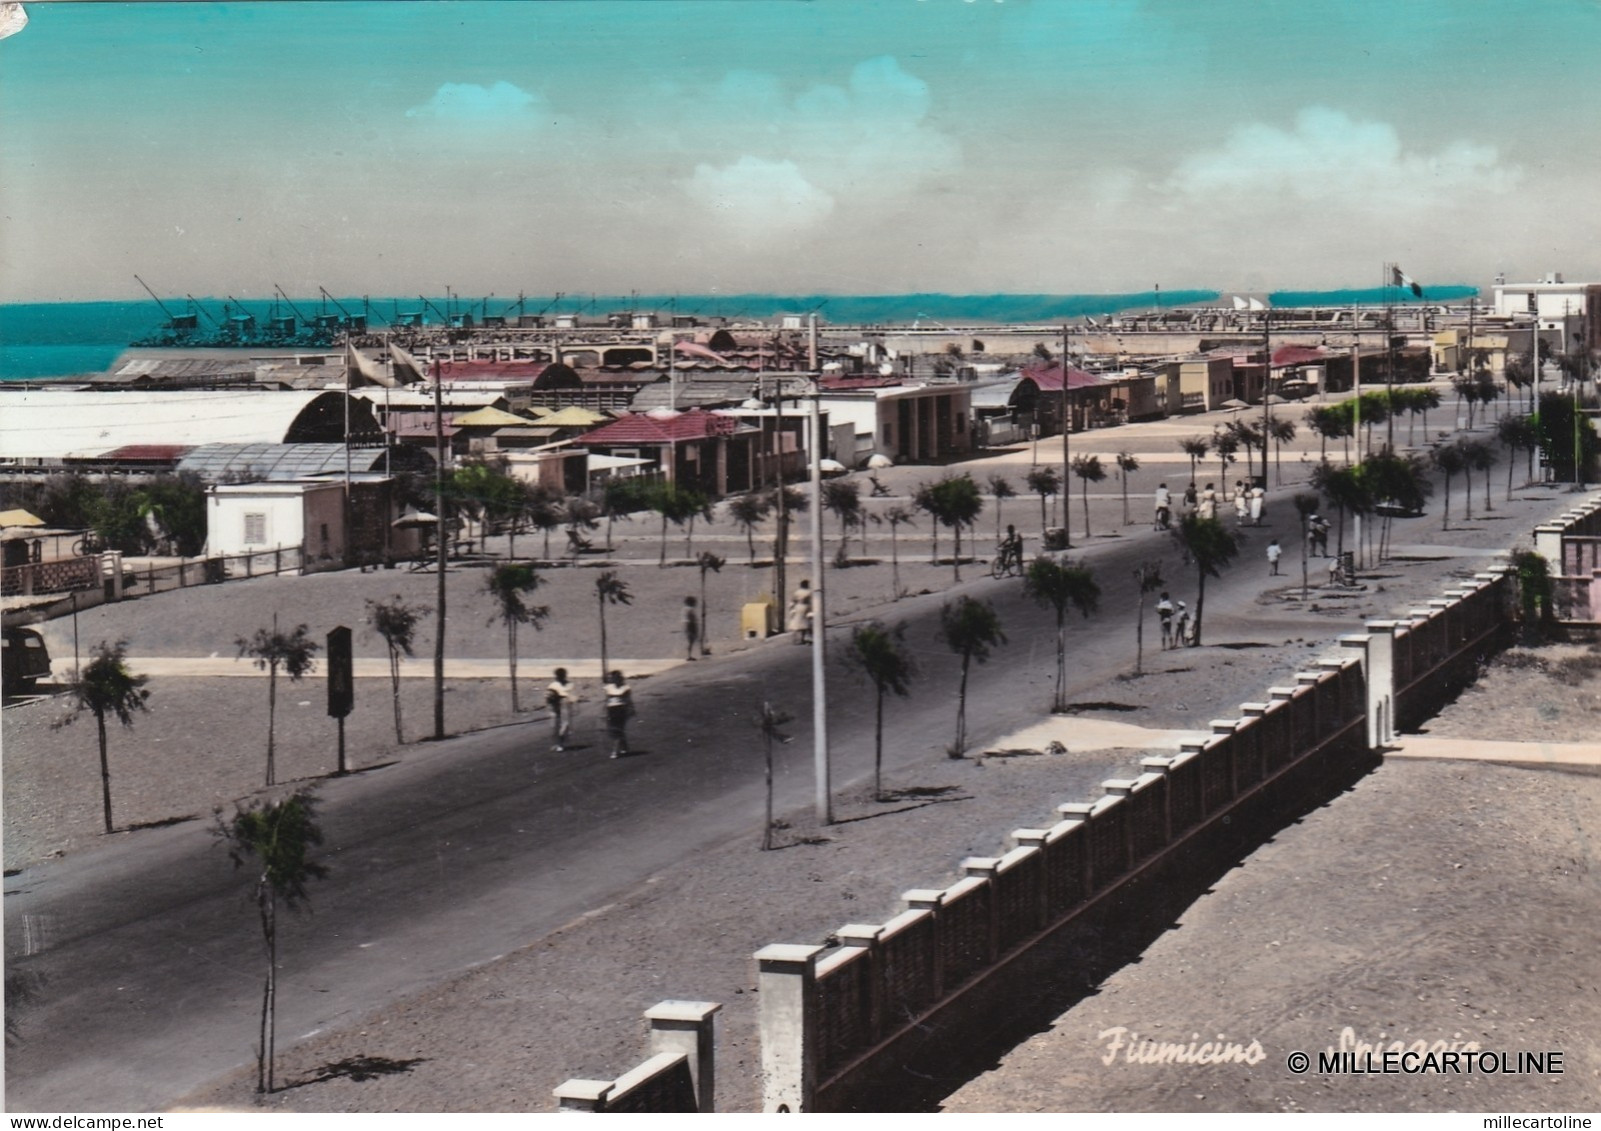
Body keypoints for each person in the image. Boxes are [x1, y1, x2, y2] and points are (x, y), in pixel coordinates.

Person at [602, 669, 633, 758]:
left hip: (621, 709)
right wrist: (604, 711)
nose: (614, 679)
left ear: (620, 678)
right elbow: (606, 700)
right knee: (613, 730)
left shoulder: (626, 688)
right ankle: (624, 747)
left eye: (616, 678)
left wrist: (630, 710)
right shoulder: (608, 687)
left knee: (618, 729)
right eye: (612, 678)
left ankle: (615, 751)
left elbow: (628, 700)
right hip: (611, 709)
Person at [546, 667, 574, 752]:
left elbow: (572, 696)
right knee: (555, 725)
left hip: (565, 704)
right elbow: (548, 697)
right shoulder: (553, 685)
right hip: (555, 705)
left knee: (565, 724)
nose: (561, 676)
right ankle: (556, 743)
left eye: (562, 675)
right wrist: (551, 703)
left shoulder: (569, 684)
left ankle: (560, 744)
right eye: (559, 675)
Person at [787, 579, 813, 644]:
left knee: (797, 623)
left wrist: (791, 607)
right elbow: (810, 601)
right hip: (805, 607)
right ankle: (805, 638)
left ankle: (797, 639)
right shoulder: (809, 592)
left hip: (798, 607)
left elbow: (793, 600)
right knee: (806, 623)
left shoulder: (797, 592)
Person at [682, 596, 699, 661]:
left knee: (690, 641)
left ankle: (689, 655)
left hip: (687, 626)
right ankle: (689, 655)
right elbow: (692, 618)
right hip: (691, 626)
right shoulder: (690, 609)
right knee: (691, 641)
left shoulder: (685, 609)